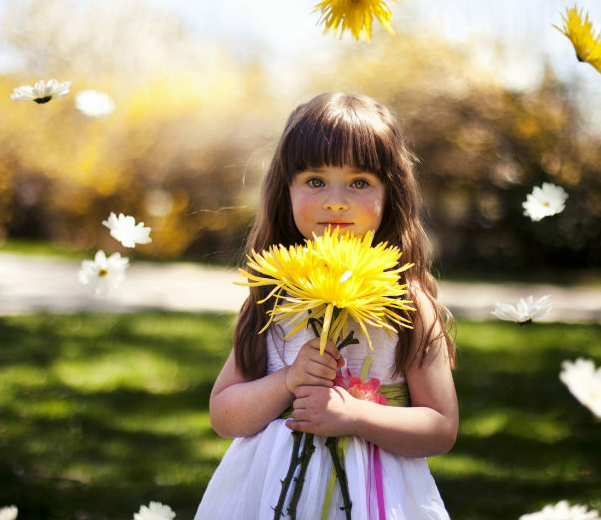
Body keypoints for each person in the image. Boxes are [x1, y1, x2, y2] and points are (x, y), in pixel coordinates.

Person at [195, 92, 458, 520]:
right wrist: (287, 382)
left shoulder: (407, 303)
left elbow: (441, 429)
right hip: (269, 495)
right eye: (315, 180)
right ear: (287, 189)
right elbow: (224, 415)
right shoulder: (272, 295)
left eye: (359, 182)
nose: (336, 201)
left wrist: (355, 416)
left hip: (373, 497)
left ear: (391, 194)